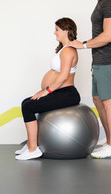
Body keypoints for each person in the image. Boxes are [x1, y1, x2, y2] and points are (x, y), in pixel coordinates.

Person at [69, 0, 111, 159]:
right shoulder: (101, 4)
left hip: (108, 60)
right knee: (98, 100)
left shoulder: (110, 4)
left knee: (109, 102)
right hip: (99, 61)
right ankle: (110, 143)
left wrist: (82, 45)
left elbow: (108, 36)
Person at [15, 17, 80, 160]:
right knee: (27, 102)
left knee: (28, 107)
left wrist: (47, 91)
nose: (54, 33)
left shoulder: (68, 51)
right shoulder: (63, 49)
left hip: (67, 93)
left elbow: (63, 77)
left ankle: (33, 149)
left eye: (57, 30)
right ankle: (32, 144)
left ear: (66, 30)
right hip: (60, 91)